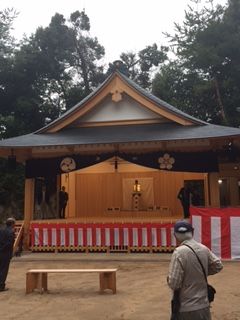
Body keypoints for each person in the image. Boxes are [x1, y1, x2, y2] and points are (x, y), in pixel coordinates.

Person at [167, 220, 223, 320]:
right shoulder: (203, 248)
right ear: (192, 232)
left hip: (186, 307)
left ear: (175, 235)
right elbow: (218, 265)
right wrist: (202, 272)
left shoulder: (179, 252)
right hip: (204, 304)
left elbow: (174, 283)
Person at [0, 217, 16, 292]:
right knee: (4, 269)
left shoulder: (1, 230)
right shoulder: (11, 232)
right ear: (12, 224)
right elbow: (9, 244)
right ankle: (1, 285)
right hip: (5, 253)